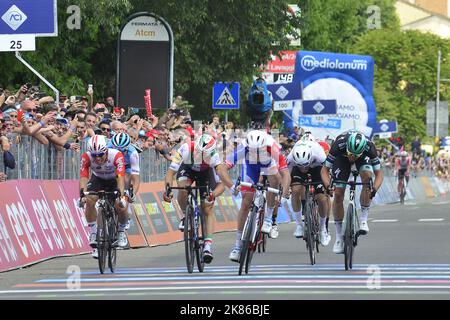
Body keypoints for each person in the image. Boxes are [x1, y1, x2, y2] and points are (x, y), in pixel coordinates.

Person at [163, 133, 235, 264]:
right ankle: (185, 215)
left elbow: (222, 184)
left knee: (207, 207)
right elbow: (170, 173)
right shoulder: (185, 149)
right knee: (183, 188)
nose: (199, 156)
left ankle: (207, 246)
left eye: (203, 154)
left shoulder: (214, 158)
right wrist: (167, 190)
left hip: (206, 174)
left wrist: (212, 195)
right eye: (197, 152)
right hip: (187, 169)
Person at [226, 130, 291, 262]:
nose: (255, 153)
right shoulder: (243, 147)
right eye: (252, 150)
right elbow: (223, 167)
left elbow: (286, 175)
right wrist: (231, 186)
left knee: (274, 181)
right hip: (251, 167)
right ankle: (238, 245)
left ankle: (268, 218)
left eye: (258, 150)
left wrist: (283, 194)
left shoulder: (273, 148)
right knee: (246, 202)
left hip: (269, 165)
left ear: (263, 146)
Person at [320, 130, 384, 254]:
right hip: (341, 158)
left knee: (367, 178)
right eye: (351, 154)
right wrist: (328, 186)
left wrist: (374, 189)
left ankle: (363, 218)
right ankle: (339, 237)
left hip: (363, 158)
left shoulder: (369, 147)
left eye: (355, 155)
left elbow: (379, 174)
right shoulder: (338, 145)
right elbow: (324, 170)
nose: (352, 158)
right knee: (338, 194)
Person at [78, 135, 129, 258]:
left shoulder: (116, 155)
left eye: (100, 155)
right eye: (94, 155)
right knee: (90, 200)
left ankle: (121, 231)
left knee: (120, 205)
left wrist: (121, 195)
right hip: (98, 179)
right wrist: (82, 195)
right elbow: (84, 176)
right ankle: (94, 233)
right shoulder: (86, 156)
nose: (98, 158)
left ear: (106, 150)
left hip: (114, 179)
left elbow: (121, 177)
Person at [287, 141, 331, 246]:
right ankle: (299, 225)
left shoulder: (319, 155)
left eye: (305, 166)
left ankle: (322, 229)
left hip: (317, 168)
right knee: (295, 190)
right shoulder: (290, 158)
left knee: (322, 198)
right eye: (301, 166)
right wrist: (286, 188)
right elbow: (286, 175)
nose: (303, 169)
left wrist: (329, 187)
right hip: (296, 169)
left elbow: (327, 172)